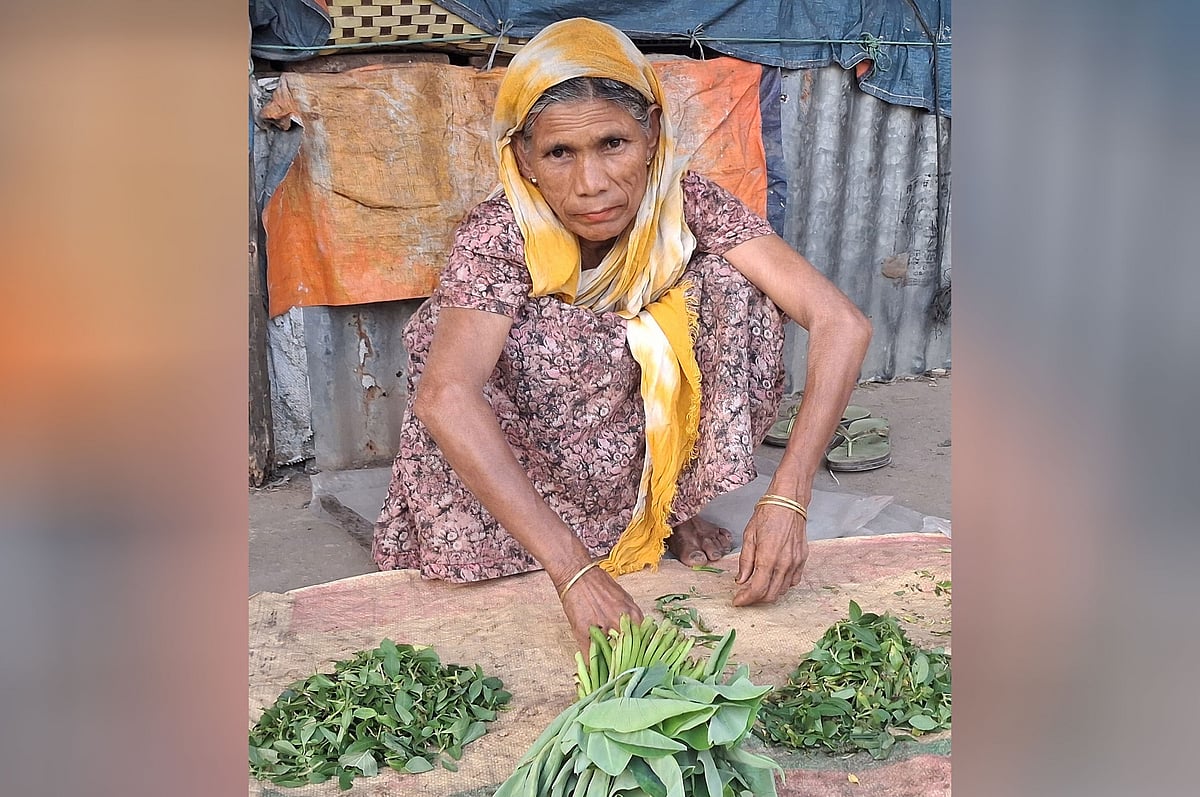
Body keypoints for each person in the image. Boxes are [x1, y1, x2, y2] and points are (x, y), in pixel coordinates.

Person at [373, 17, 871, 653]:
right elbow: (446, 397)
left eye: (613, 143)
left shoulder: (686, 203)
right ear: (523, 158)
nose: (592, 183)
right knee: (519, 350)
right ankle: (568, 539)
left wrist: (789, 495)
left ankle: (663, 510)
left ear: (652, 136)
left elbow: (840, 321)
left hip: (624, 462)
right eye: (560, 153)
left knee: (730, 289)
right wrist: (574, 571)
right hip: (532, 460)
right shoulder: (499, 234)